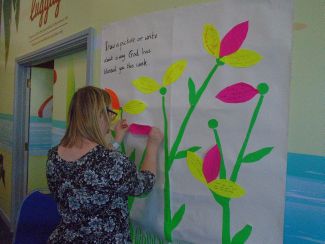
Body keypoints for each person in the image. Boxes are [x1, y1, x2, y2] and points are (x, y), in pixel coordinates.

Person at [46, 86, 163, 243]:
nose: (110, 119)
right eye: (109, 113)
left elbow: (90, 165)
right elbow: (144, 184)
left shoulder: (53, 155)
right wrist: (153, 146)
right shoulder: (112, 161)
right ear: (98, 116)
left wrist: (116, 142)